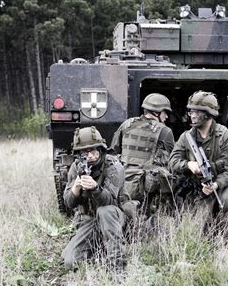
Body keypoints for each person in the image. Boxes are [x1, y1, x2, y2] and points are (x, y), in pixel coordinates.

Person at [169, 90, 228, 242]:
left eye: (197, 112)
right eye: (191, 111)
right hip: (199, 187)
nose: (192, 115)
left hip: (225, 183)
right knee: (200, 234)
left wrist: (217, 184)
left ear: (208, 114)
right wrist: (188, 164)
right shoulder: (186, 137)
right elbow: (173, 161)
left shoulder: (225, 136)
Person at [62, 126, 126, 271]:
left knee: (105, 211)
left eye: (93, 150)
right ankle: (100, 253)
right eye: (85, 152)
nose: (89, 155)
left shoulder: (113, 166)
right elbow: (68, 203)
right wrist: (76, 189)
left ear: (101, 149)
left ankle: (116, 264)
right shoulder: (76, 167)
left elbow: (110, 200)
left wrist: (95, 188)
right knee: (70, 262)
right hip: (90, 221)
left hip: (114, 218)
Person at [110, 93, 174, 218]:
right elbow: (173, 160)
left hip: (123, 181)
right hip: (147, 185)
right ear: (156, 113)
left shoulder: (126, 124)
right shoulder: (165, 131)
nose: (166, 116)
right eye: (164, 112)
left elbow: (113, 151)